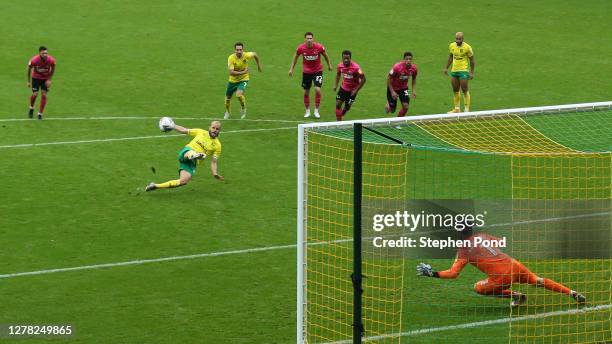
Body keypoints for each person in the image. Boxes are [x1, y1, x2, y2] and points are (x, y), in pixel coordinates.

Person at [416, 228, 586, 307]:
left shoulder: (463, 250)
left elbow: (453, 274)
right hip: (513, 264)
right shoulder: (482, 235)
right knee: (538, 280)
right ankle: (572, 293)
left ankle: (517, 296)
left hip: (502, 277)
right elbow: (500, 242)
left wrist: (433, 273)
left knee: (478, 288)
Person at [145, 120, 224, 192]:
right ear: (209, 127)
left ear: (219, 131)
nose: (215, 130)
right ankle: (194, 155)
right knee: (191, 152)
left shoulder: (217, 146)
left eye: (217, 129)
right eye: (213, 128)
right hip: (186, 152)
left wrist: (215, 173)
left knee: (183, 181)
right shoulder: (200, 132)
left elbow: (214, 162)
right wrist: (173, 126)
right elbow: (185, 130)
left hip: (192, 163)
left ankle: (155, 186)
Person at [288, 32, 332, 119]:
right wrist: (291, 69)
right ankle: (307, 111)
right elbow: (295, 57)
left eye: (310, 38)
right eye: (307, 38)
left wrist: (329, 65)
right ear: (305, 39)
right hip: (306, 72)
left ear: (313, 39)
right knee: (306, 92)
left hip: (317, 71)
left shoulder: (319, 47)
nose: (309, 40)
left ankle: (316, 110)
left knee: (317, 89)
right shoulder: (301, 48)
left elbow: (325, 55)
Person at [224, 42, 262, 119]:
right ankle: (227, 112)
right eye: (237, 50)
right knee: (227, 99)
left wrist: (259, 66)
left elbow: (255, 54)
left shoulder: (246, 55)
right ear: (234, 50)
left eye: (240, 50)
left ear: (243, 50)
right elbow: (231, 73)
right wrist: (243, 72)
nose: (239, 51)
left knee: (238, 95)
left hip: (244, 79)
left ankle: (243, 108)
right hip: (232, 81)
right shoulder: (231, 58)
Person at [443, 32, 475, 113]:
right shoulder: (452, 45)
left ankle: (466, 109)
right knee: (455, 90)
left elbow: (472, 60)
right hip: (454, 71)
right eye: (456, 39)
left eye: (459, 39)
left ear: (463, 39)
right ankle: (457, 109)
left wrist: (471, 72)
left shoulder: (467, 47)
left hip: (463, 70)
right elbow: (450, 57)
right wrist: (446, 68)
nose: (458, 40)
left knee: (464, 89)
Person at [333, 50, 366, 121]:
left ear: (350, 58)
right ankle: (339, 123)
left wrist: (356, 90)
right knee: (338, 104)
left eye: (347, 58)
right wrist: (335, 85)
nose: (346, 60)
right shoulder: (340, 66)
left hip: (352, 91)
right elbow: (338, 74)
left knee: (347, 107)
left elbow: (363, 79)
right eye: (344, 58)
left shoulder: (356, 68)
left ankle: (344, 111)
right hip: (343, 88)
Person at [27, 46, 56, 120]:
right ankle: (31, 108)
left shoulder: (51, 60)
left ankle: (40, 113)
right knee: (35, 94)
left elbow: (53, 69)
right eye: (43, 53)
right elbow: (29, 69)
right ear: (39, 53)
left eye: (46, 53)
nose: (45, 55)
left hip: (45, 79)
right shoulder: (34, 60)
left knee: (44, 94)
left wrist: (49, 79)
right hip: (35, 78)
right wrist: (28, 81)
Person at [386, 51, 418, 117]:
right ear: (404, 59)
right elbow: (388, 79)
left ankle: (397, 122)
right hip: (393, 88)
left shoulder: (414, 68)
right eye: (407, 59)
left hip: (404, 88)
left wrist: (414, 90)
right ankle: (388, 103)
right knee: (392, 110)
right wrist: (392, 92)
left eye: (410, 59)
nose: (408, 61)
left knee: (406, 107)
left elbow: (414, 79)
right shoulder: (397, 67)